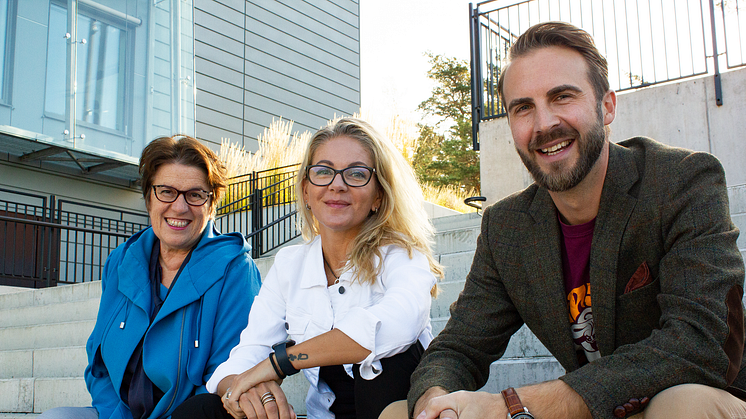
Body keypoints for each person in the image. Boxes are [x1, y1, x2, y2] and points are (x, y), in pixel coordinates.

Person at [404, 21, 746, 419]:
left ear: (607, 106)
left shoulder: (681, 183)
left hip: (705, 397)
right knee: (400, 412)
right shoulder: (506, 227)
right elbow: (458, 348)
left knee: (681, 406)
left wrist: (509, 406)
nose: (544, 124)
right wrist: (435, 402)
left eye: (562, 97)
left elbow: (699, 343)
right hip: (596, 411)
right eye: (523, 108)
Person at [172, 117, 443, 419]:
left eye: (356, 174)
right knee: (201, 411)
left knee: (383, 366)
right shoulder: (290, 265)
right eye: (323, 172)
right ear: (305, 190)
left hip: (392, 409)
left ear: (378, 195)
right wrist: (244, 388)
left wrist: (282, 362)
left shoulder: (403, 256)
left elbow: (393, 326)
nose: (337, 185)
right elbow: (250, 352)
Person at [39, 135, 262, 419]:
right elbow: (99, 363)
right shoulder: (122, 260)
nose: (179, 207)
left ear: (211, 204)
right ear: (148, 198)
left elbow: (224, 377)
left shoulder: (236, 270)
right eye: (166, 191)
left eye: (195, 195)